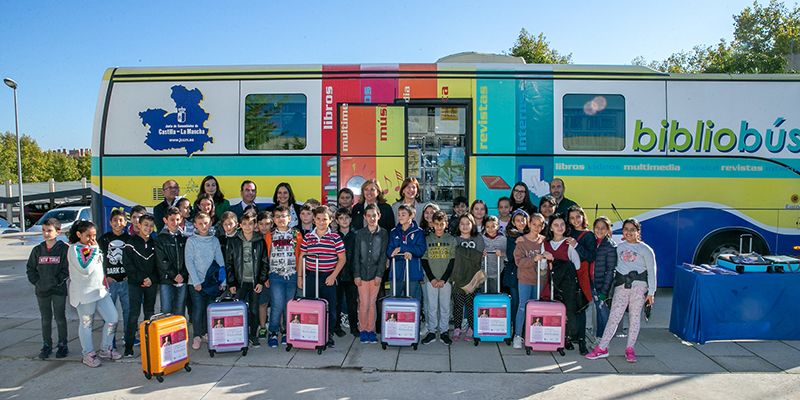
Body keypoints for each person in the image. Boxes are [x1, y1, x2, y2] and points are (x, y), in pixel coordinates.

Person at [586, 218, 656, 363]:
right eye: (626, 229)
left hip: (639, 287)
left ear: (638, 232)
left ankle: (630, 348)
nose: (629, 232)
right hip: (621, 286)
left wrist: (651, 292)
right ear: (622, 231)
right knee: (614, 317)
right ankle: (602, 347)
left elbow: (652, 271)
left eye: (632, 229)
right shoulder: (619, 247)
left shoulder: (645, 249)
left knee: (634, 318)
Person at [67, 221, 120, 367]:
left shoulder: (92, 247)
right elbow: (85, 268)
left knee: (113, 318)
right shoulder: (75, 249)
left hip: (101, 292)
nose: (92, 239)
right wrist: (95, 250)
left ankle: (106, 348)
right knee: (86, 324)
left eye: (94, 235)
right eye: (88, 236)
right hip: (85, 296)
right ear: (79, 235)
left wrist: (105, 285)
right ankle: (88, 354)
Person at [300, 206, 346, 348]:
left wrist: (333, 276)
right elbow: (302, 257)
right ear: (314, 220)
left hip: (328, 277)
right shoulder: (308, 237)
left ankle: (328, 334)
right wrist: (300, 277)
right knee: (310, 305)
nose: (321, 222)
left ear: (331, 220)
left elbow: (342, 259)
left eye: (324, 219)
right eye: (318, 219)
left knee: (329, 307)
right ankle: (311, 333)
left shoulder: (335, 238)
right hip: (311, 276)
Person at [26, 218, 70, 359]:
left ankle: (62, 345)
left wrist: (56, 281)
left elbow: (66, 269)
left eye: (49, 230)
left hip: (58, 290)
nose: (46, 233)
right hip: (42, 291)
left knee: (60, 318)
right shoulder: (37, 250)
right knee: (45, 319)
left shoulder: (64, 249)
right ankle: (46, 345)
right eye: (44, 230)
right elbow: (30, 269)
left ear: (58, 232)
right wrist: (37, 282)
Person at [225, 209, 269, 348]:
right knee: (238, 309)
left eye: (250, 224)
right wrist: (231, 282)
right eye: (245, 224)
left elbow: (264, 263)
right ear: (240, 225)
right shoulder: (234, 241)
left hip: (255, 282)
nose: (248, 226)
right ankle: (238, 334)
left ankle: (253, 335)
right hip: (239, 282)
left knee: (254, 310)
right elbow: (229, 263)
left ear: (254, 225)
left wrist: (261, 281)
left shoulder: (260, 241)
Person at [264, 205, 303, 348]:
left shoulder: (296, 234)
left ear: (290, 218)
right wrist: (266, 277)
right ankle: (273, 332)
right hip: (275, 276)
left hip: (292, 275)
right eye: (278, 216)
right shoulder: (269, 235)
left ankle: (287, 331)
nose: (281, 219)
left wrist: (300, 276)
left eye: (284, 216)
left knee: (289, 305)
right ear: (274, 219)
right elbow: (265, 257)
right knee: (277, 305)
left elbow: (301, 256)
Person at [185, 212, 226, 350]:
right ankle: (197, 335)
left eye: (206, 223)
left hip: (211, 282)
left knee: (210, 309)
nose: (204, 226)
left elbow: (220, 261)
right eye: (200, 223)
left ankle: (207, 333)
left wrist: (223, 281)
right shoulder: (191, 241)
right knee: (198, 309)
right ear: (195, 225)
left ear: (210, 223)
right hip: (195, 283)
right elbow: (189, 262)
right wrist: (196, 281)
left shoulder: (214, 240)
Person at [122, 214, 159, 358]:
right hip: (135, 284)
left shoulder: (154, 244)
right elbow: (128, 265)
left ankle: (148, 343)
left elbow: (158, 266)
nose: (148, 228)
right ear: (139, 225)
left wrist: (152, 279)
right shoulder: (130, 243)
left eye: (151, 225)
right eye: (145, 225)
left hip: (151, 284)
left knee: (149, 314)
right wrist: (141, 279)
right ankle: (129, 346)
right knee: (133, 315)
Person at [544, 213, 582, 351]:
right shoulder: (546, 243)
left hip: (567, 284)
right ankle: (553, 337)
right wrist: (543, 257)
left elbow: (577, 265)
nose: (559, 228)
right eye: (556, 225)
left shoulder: (569, 243)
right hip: (552, 283)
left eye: (562, 225)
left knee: (568, 312)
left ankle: (567, 338)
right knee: (554, 311)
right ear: (551, 228)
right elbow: (542, 267)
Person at [511, 213, 548, 349]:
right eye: (534, 224)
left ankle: (533, 335)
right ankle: (518, 335)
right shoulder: (522, 241)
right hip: (525, 279)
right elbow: (519, 262)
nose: (537, 227)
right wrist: (533, 259)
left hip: (540, 280)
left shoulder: (545, 240)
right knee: (523, 306)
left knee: (536, 308)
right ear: (529, 224)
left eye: (540, 225)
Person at [352, 204, 388, 344]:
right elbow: (356, 255)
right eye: (369, 216)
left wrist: (380, 274)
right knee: (363, 303)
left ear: (379, 215)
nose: (372, 218)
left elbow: (383, 256)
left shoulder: (383, 233)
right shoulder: (360, 233)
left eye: (374, 215)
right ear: (364, 217)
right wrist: (356, 274)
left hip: (375, 275)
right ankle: (363, 329)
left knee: (372, 303)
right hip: (361, 274)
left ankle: (371, 330)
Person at [419, 210, 456, 346]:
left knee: (445, 306)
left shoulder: (451, 240)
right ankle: (432, 331)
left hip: (445, 280)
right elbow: (424, 260)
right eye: (436, 224)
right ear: (432, 224)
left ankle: (444, 331)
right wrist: (432, 278)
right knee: (432, 306)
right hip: (431, 279)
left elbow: (452, 261)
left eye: (442, 224)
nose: (439, 227)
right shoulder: (428, 239)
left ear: (446, 224)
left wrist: (444, 279)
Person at [99, 209, 130, 350]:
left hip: (126, 282)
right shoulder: (104, 240)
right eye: (115, 220)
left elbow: (134, 261)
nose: (118, 223)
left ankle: (128, 339)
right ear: (110, 222)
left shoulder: (129, 240)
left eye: (121, 220)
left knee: (128, 312)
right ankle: (109, 342)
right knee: (110, 316)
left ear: (125, 222)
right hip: (110, 283)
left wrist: (131, 275)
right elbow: (97, 261)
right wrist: (105, 276)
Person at [450, 214, 484, 341]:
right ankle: (457, 327)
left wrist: (461, 252)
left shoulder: (478, 238)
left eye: (467, 223)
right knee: (458, 304)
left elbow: (477, 258)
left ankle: (472, 327)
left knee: (471, 304)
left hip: (473, 277)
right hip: (458, 277)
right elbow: (453, 258)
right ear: (458, 226)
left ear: (472, 224)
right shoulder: (454, 239)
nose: (465, 226)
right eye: (462, 224)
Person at [567, 205, 596, 355]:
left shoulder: (589, 235)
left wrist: (576, 245)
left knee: (581, 307)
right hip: (568, 275)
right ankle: (570, 337)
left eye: (578, 217)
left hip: (582, 276)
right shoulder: (568, 231)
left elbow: (591, 256)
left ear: (583, 217)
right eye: (572, 218)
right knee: (568, 307)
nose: (575, 220)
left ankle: (582, 340)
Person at [387, 205, 427, 304]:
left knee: (413, 301)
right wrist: (400, 254)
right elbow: (389, 251)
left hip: (413, 273)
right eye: (399, 214)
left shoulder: (418, 232)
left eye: (403, 214)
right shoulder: (394, 232)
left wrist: (403, 249)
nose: (400, 217)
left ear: (411, 215)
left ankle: (414, 320)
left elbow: (420, 250)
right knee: (395, 301)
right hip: (397, 273)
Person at [155, 207, 188, 316]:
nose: (175, 222)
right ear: (165, 220)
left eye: (178, 219)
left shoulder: (184, 238)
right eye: (172, 220)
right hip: (167, 280)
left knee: (180, 310)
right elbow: (162, 260)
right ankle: (166, 333)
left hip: (182, 279)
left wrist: (182, 274)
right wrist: (174, 275)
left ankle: (179, 333)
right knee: (166, 310)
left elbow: (188, 258)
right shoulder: (160, 238)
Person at [591, 216, 617, 340]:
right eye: (597, 228)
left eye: (603, 228)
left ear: (607, 230)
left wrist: (604, 292)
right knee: (599, 311)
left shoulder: (610, 245)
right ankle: (599, 337)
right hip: (594, 283)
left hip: (602, 286)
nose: (599, 230)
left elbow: (611, 270)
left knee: (603, 313)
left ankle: (604, 339)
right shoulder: (595, 242)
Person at [334, 208, 359, 337]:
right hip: (337, 275)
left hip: (351, 275)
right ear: (337, 221)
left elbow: (358, 257)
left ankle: (354, 327)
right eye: (341, 218)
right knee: (337, 303)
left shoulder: (356, 236)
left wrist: (357, 274)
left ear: (350, 219)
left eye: (346, 218)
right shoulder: (334, 236)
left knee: (352, 302)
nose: (344, 220)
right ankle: (336, 326)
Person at [503, 209, 528, 339]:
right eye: (517, 220)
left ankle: (524, 328)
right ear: (513, 222)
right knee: (516, 301)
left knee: (527, 302)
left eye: (523, 220)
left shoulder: (530, 235)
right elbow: (510, 256)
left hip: (529, 274)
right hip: (514, 274)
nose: (521, 223)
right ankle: (513, 328)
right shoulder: (511, 236)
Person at [256, 210, 274, 338]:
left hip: (275, 275)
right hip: (261, 277)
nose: (264, 227)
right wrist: (263, 278)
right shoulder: (254, 238)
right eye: (261, 224)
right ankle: (262, 327)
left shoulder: (275, 237)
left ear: (272, 224)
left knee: (278, 304)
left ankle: (280, 327)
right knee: (263, 303)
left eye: (267, 224)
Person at [482, 216, 506, 292]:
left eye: (493, 226)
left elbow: (508, 254)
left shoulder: (503, 239)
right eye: (488, 227)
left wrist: (501, 253)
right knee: (483, 292)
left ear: (498, 226)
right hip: (483, 271)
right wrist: (481, 253)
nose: (490, 229)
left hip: (498, 272)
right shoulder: (481, 238)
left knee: (495, 292)